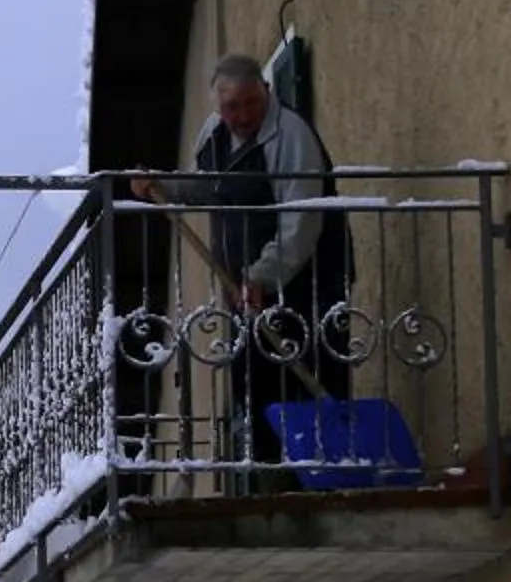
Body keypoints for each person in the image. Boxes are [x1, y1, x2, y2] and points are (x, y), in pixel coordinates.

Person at [132, 53, 356, 463]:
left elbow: (301, 223)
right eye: (232, 107)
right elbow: (207, 187)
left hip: (308, 284)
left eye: (251, 103)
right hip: (246, 291)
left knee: (312, 382)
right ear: (218, 105)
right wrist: (160, 185)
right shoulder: (214, 134)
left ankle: (331, 474)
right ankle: (272, 479)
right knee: (255, 391)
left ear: (266, 91)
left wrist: (262, 277)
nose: (243, 115)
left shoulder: (290, 137)